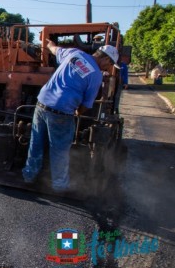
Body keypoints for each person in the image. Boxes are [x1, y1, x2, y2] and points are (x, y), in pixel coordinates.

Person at [22, 40, 119, 192]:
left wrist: (48, 44)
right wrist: (77, 114)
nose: (108, 67)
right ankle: (59, 185)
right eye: (110, 64)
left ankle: (29, 176)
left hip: (41, 103)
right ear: (106, 59)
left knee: (36, 142)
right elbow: (87, 105)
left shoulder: (74, 53)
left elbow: (54, 49)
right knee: (59, 149)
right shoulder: (96, 76)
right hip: (62, 111)